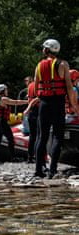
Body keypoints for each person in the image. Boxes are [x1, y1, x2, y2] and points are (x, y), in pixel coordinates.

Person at [34, 39, 79, 179]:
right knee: (57, 137)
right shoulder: (63, 64)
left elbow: (36, 89)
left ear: (47, 50)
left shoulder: (39, 66)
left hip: (44, 104)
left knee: (42, 137)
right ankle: (52, 170)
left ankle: (38, 170)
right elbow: (70, 88)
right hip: (58, 103)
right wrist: (74, 107)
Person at [0, 84, 28, 163]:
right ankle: (12, 158)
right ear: (2, 91)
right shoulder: (2, 98)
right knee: (10, 139)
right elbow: (16, 102)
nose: (7, 91)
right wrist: (28, 101)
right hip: (1, 121)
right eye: (6, 90)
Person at [23, 81, 40, 163]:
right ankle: (38, 157)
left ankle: (30, 157)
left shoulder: (30, 85)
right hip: (38, 112)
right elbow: (38, 98)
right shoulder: (40, 84)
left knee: (32, 136)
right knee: (39, 136)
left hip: (31, 113)